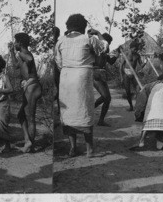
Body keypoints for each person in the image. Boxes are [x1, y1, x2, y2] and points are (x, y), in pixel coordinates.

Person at [55, 14, 109, 157]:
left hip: (66, 78)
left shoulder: (60, 41)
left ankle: (72, 148)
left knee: (69, 113)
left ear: (68, 27)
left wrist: (69, 69)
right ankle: (89, 150)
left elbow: (59, 63)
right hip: (82, 77)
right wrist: (98, 34)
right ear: (83, 27)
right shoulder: (88, 39)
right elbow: (104, 47)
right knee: (84, 110)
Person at [8, 32, 42, 153]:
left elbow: (29, 59)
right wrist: (12, 52)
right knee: (21, 115)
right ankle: (28, 141)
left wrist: (19, 53)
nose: (14, 43)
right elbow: (16, 66)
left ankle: (31, 146)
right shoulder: (20, 54)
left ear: (20, 43)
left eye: (15, 42)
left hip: (32, 85)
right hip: (29, 86)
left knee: (30, 117)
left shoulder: (25, 53)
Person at [92, 32, 118, 127]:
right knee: (106, 97)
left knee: (107, 98)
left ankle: (100, 120)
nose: (109, 45)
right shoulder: (97, 49)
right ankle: (89, 110)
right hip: (95, 74)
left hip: (100, 74)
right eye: (109, 42)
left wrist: (116, 55)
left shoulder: (104, 51)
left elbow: (110, 62)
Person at [120, 39, 143, 111]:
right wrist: (121, 76)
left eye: (137, 49)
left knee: (138, 90)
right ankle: (131, 106)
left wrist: (145, 63)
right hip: (126, 73)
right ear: (131, 48)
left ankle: (138, 106)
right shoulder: (126, 54)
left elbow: (141, 65)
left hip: (134, 73)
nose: (136, 51)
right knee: (128, 91)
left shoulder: (137, 55)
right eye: (135, 49)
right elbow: (121, 66)